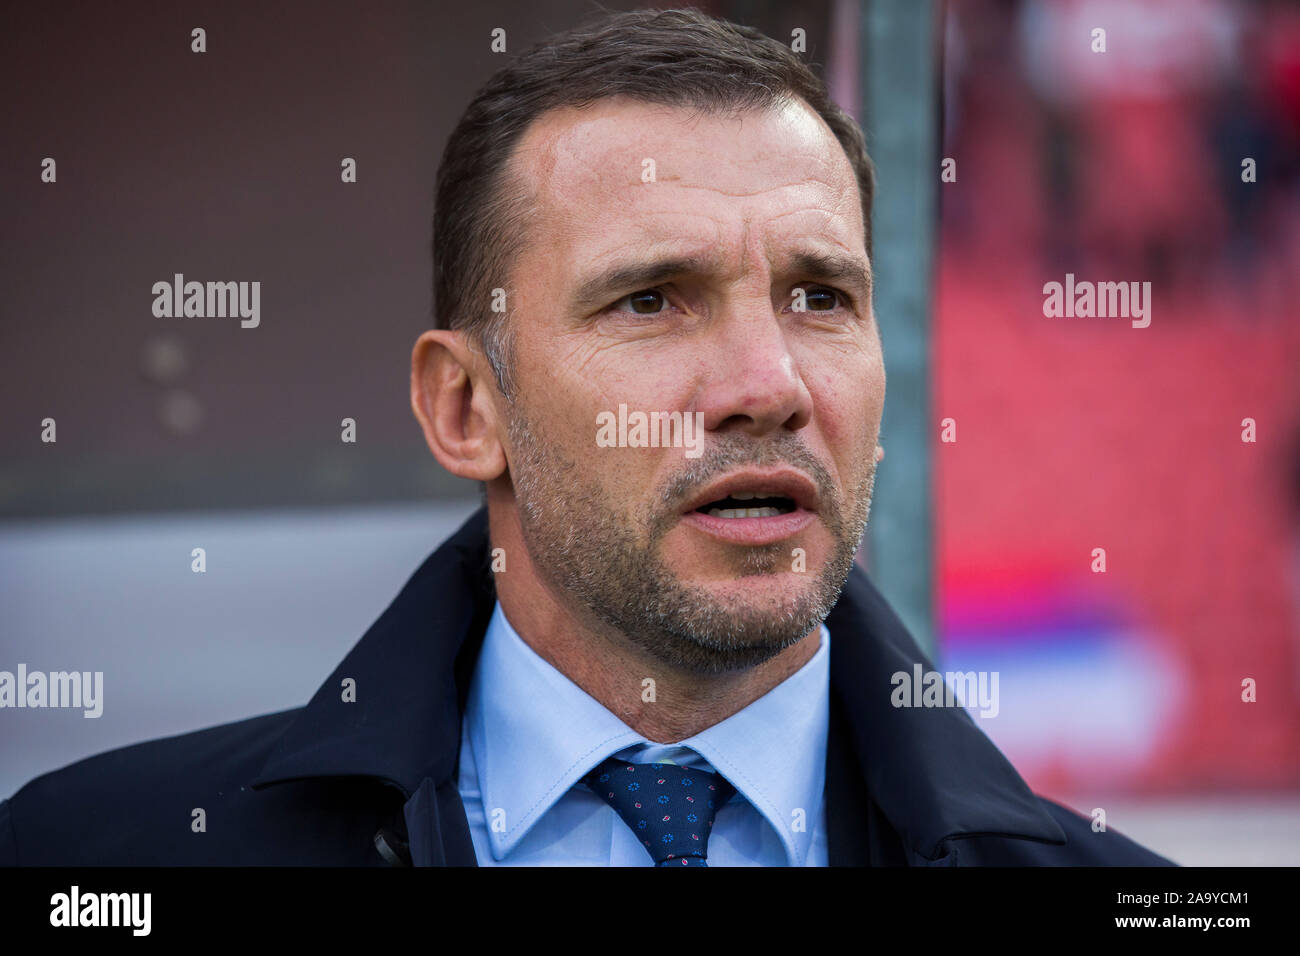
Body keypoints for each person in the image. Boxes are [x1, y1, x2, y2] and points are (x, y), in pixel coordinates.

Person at [0, 7, 1171, 867]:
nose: (767, 385)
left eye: (820, 296)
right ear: (466, 409)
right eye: (651, 298)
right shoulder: (94, 859)